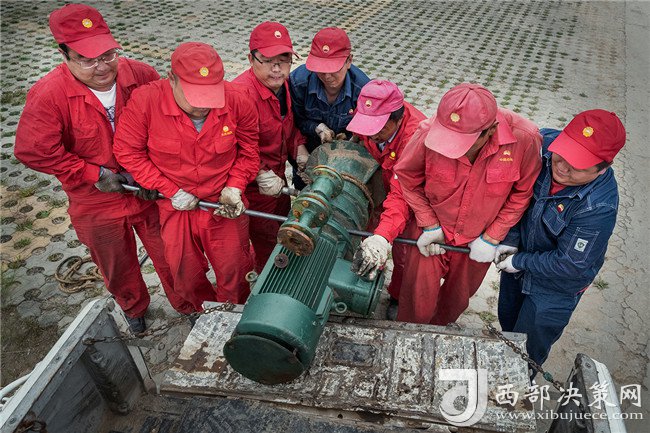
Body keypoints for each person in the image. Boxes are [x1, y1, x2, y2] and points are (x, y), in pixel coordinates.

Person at [14, 3, 192, 333]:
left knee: (173, 254)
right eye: (88, 59)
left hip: (146, 191)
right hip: (95, 201)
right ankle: (133, 306)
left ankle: (187, 304)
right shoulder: (49, 96)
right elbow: (33, 150)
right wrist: (92, 174)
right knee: (116, 264)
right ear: (64, 55)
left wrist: (153, 170)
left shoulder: (141, 76)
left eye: (108, 55)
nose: (102, 67)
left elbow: (169, 124)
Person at [113, 42, 259, 311]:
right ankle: (203, 310)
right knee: (185, 276)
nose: (203, 106)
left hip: (221, 203)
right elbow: (127, 152)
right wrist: (168, 189)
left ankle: (230, 314)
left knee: (236, 271)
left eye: (209, 96)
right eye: (194, 96)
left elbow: (249, 152)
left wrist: (235, 186)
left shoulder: (238, 99)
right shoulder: (145, 102)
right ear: (172, 79)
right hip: (176, 206)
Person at [393, 83, 542, 325]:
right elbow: (407, 177)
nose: (452, 149)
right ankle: (408, 333)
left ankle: (440, 332)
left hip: (478, 238)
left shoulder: (525, 139)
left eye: (463, 142)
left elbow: (522, 194)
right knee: (416, 301)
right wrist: (429, 223)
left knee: (455, 301)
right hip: (432, 233)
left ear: (491, 130)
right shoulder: (427, 132)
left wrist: (492, 237)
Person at [496, 110, 626, 369]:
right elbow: (516, 191)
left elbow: (570, 264)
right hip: (518, 263)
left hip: (554, 289)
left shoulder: (598, 207)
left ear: (602, 169)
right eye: (562, 154)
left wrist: (520, 261)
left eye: (577, 166)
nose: (562, 167)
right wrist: (510, 238)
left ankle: (514, 386)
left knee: (525, 352)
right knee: (508, 325)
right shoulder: (543, 145)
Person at [346, 80, 426, 318]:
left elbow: (402, 195)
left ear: (398, 119)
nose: (371, 133)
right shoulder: (370, 117)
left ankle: (397, 295)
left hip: (410, 192)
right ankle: (361, 277)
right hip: (381, 178)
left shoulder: (416, 138)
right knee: (367, 231)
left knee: (402, 251)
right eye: (367, 125)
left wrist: (383, 237)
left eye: (379, 128)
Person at [232, 21, 306, 273]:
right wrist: (258, 173)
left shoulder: (283, 86)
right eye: (268, 60)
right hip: (254, 189)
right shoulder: (240, 96)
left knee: (284, 228)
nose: (277, 68)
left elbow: (288, 127)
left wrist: (300, 149)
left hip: (278, 180)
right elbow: (229, 148)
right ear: (251, 59)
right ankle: (268, 280)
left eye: (284, 61)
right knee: (267, 243)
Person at [289, 27, 370, 188]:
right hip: (308, 154)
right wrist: (317, 128)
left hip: (346, 158)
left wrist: (352, 141)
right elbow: (293, 121)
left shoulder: (363, 90)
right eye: (321, 68)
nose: (327, 76)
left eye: (333, 68)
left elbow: (367, 135)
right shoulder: (298, 82)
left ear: (349, 61)